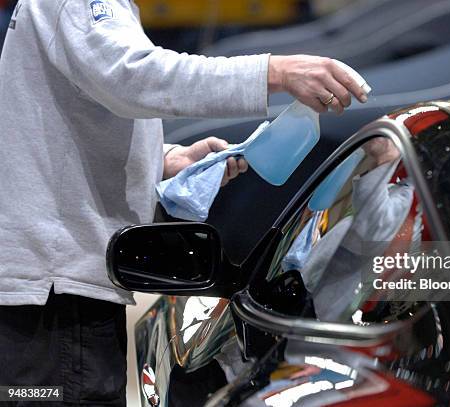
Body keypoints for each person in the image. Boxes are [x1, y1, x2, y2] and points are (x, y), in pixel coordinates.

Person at [0, 0, 368, 404]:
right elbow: (133, 76)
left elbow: (72, 108)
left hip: (55, 290)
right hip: (55, 298)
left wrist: (161, 160)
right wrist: (275, 72)